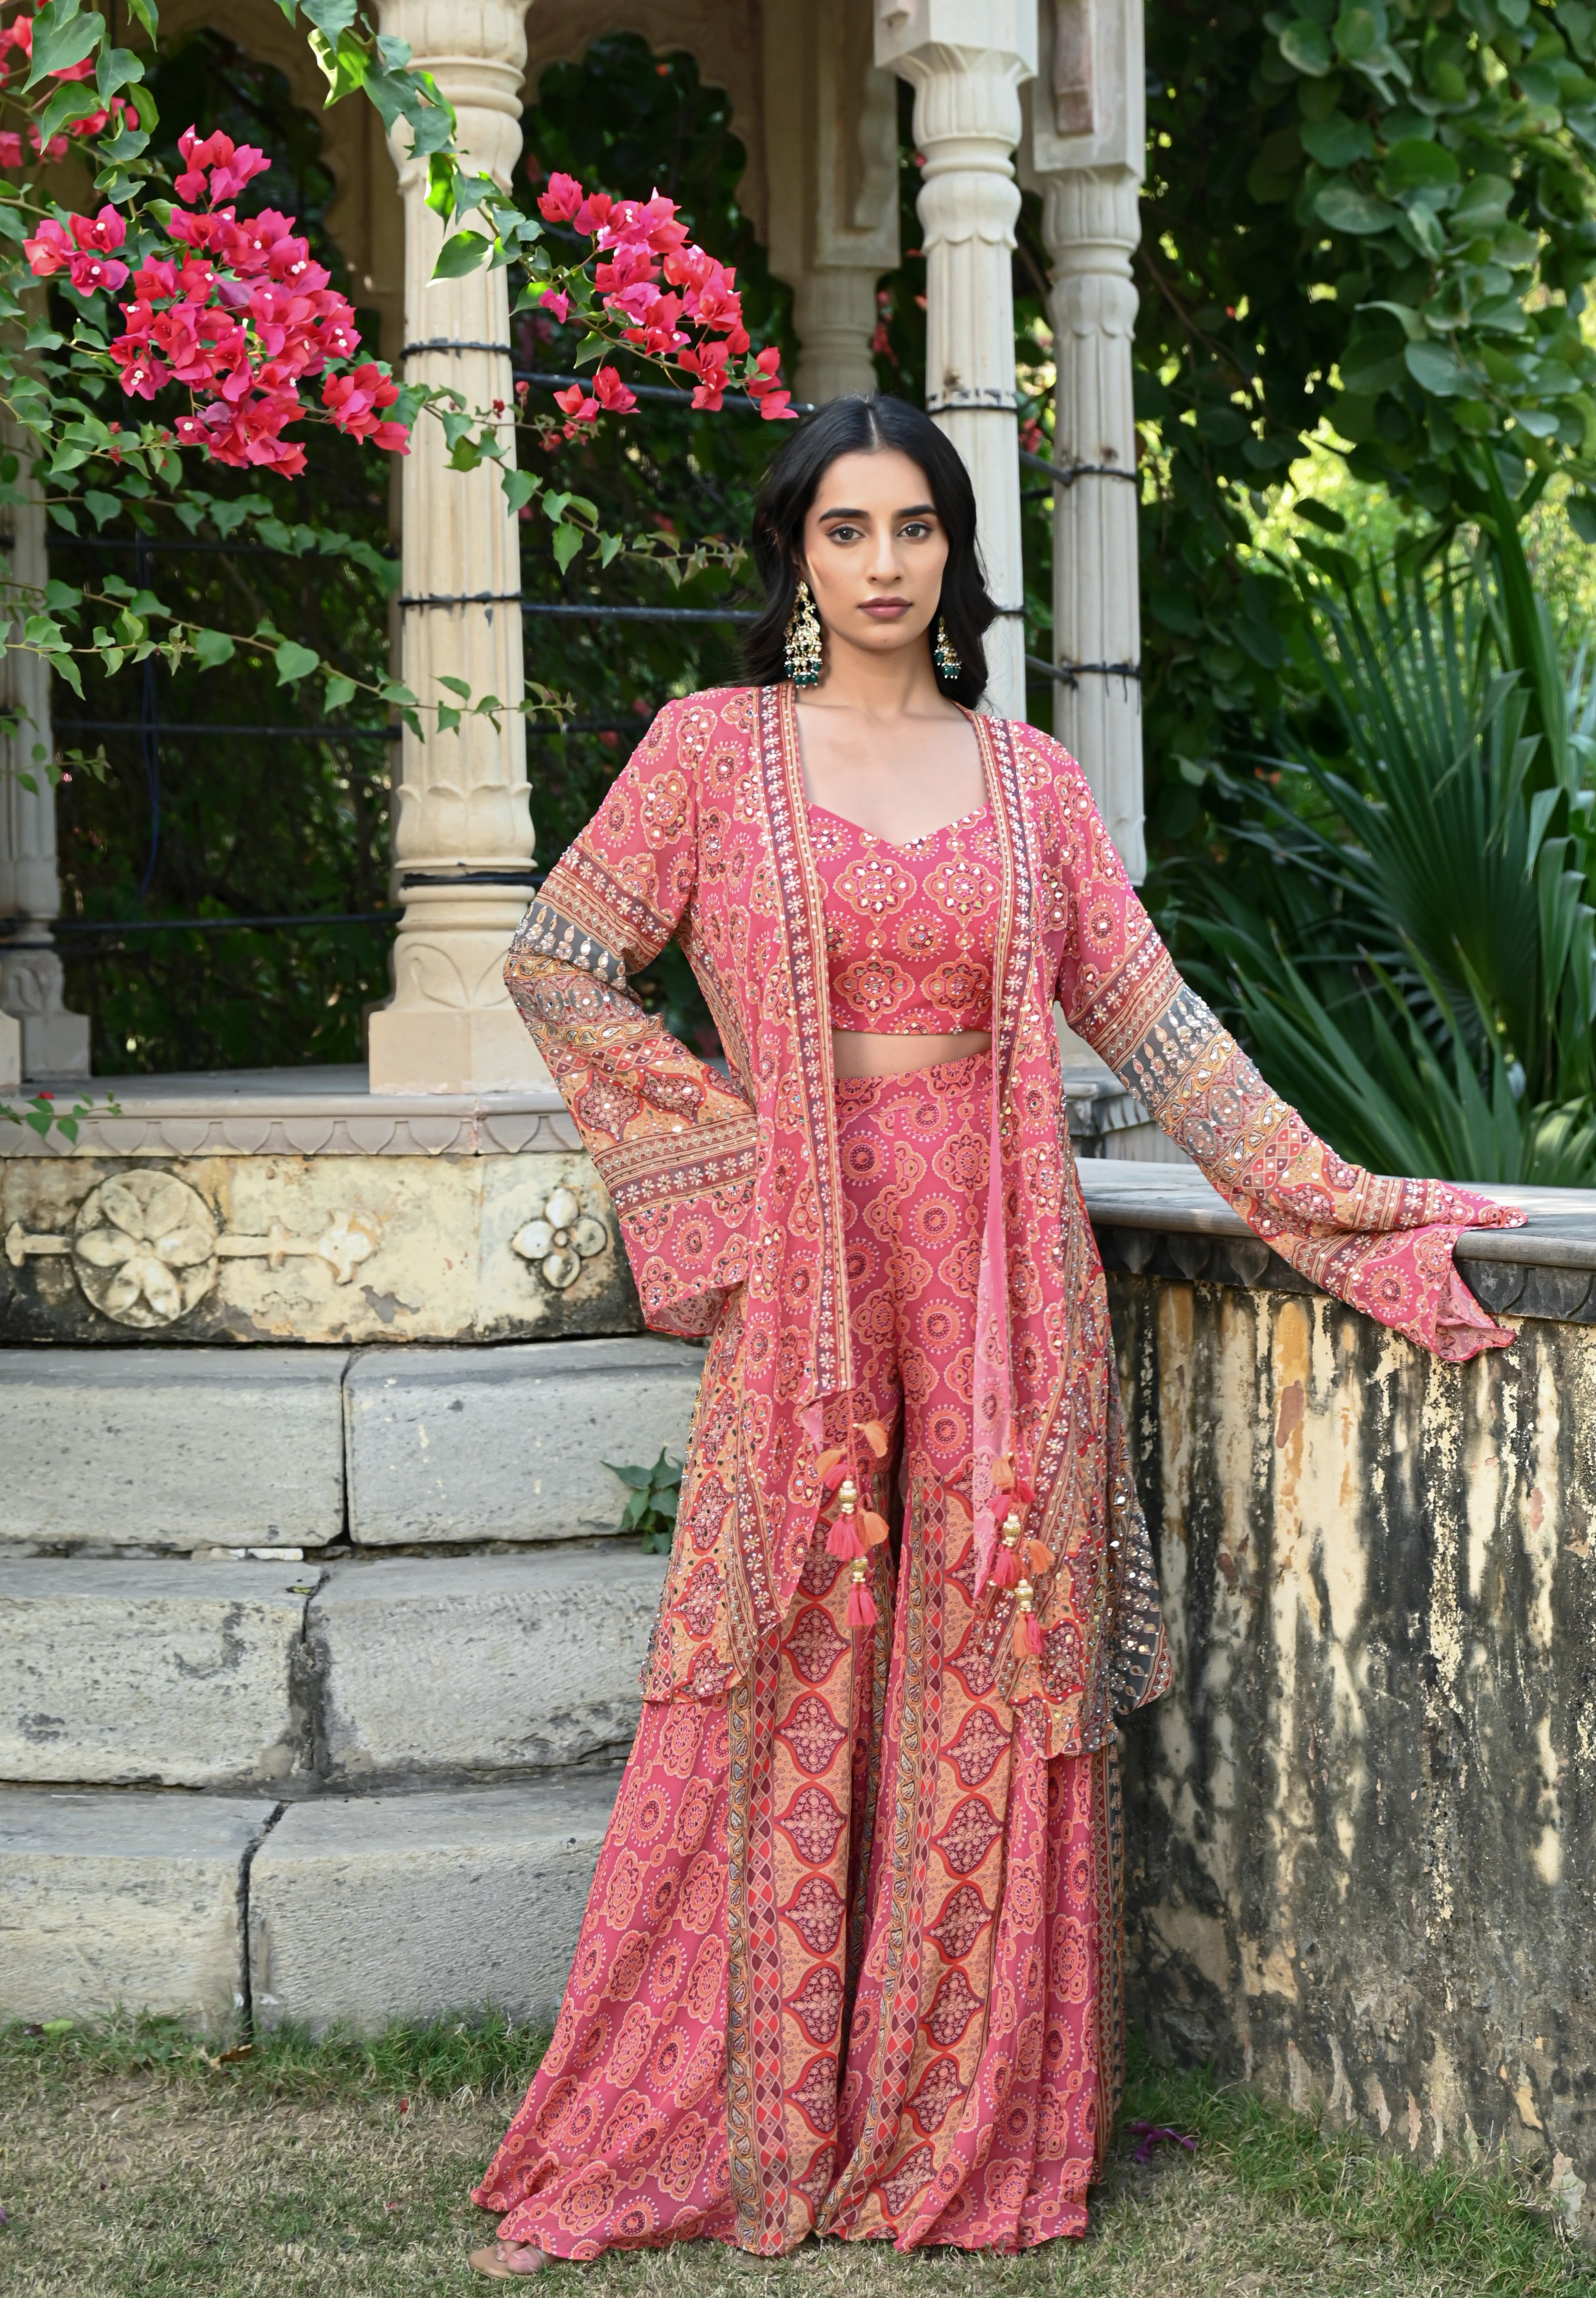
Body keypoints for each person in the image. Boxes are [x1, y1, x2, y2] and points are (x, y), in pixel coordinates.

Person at [468, 395, 1521, 2276]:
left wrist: (1350, 1205)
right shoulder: (712, 757)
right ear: (795, 556)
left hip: (998, 1281)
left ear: (957, 555)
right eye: (848, 531)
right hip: (810, 1275)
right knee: (786, 1653)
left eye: (917, 531)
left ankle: (948, 2127)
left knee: (980, 1665)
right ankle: (759, 2122)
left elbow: (1161, 1030)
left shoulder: (1025, 782)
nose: (886, 566)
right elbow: (556, 957)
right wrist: (726, 1166)